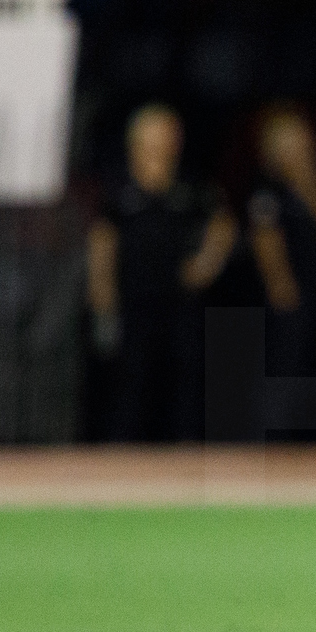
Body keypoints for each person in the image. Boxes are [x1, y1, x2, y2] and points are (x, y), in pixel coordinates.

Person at [87, 104, 238, 441]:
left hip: (180, 302)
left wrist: (205, 264)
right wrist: (102, 295)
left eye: (165, 138)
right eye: (149, 139)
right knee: (130, 381)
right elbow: (102, 243)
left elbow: (223, 226)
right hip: (133, 301)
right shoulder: (119, 192)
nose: (158, 146)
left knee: (184, 379)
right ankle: (124, 456)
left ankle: (184, 457)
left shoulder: (192, 189)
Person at [248, 106, 316, 435]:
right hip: (287, 301)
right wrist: (281, 286)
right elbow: (266, 241)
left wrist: (308, 182)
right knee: (284, 370)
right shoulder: (267, 190)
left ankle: (315, 438)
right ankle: (277, 437)